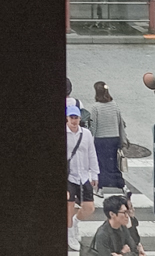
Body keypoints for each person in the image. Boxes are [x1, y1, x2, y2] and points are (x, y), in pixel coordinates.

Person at [66, 103, 100, 251]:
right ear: (67, 118)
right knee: (69, 206)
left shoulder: (86, 133)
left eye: (76, 118)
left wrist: (94, 174)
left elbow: (91, 153)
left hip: (83, 175)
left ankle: (74, 223)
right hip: (68, 176)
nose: (74, 121)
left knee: (89, 207)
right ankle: (69, 234)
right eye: (71, 117)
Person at [91, 81, 126, 189]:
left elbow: (93, 126)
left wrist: (91, 139)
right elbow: (120, 123)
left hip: (101, 139)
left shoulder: (95, 107)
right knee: (114, 163)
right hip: (114, 138)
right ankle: (120, 184)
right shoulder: (114, 104)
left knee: (101, 164)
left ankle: (101, 186)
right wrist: (122, 139)